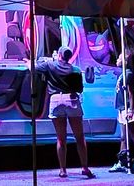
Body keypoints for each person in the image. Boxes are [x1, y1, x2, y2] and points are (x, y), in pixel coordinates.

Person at [36, 46, 95, 179]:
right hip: (72, 99)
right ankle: (84, 168)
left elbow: (34, 67)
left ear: (60, 55)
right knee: (79, 137)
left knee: (61, 139)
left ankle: (63, 170)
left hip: (55, 100)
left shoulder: (50, 65)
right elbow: (79, 89)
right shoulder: (75, 70)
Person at [110, 52, 134, 172]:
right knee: (123, 137)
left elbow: (132, 93)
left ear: (125, 61)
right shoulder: (123, 74)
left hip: (128, 108)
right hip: (122, 108)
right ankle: (121, 162)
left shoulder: (128, 74)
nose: (117, 59)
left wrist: (131, 110)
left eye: (119, 57)